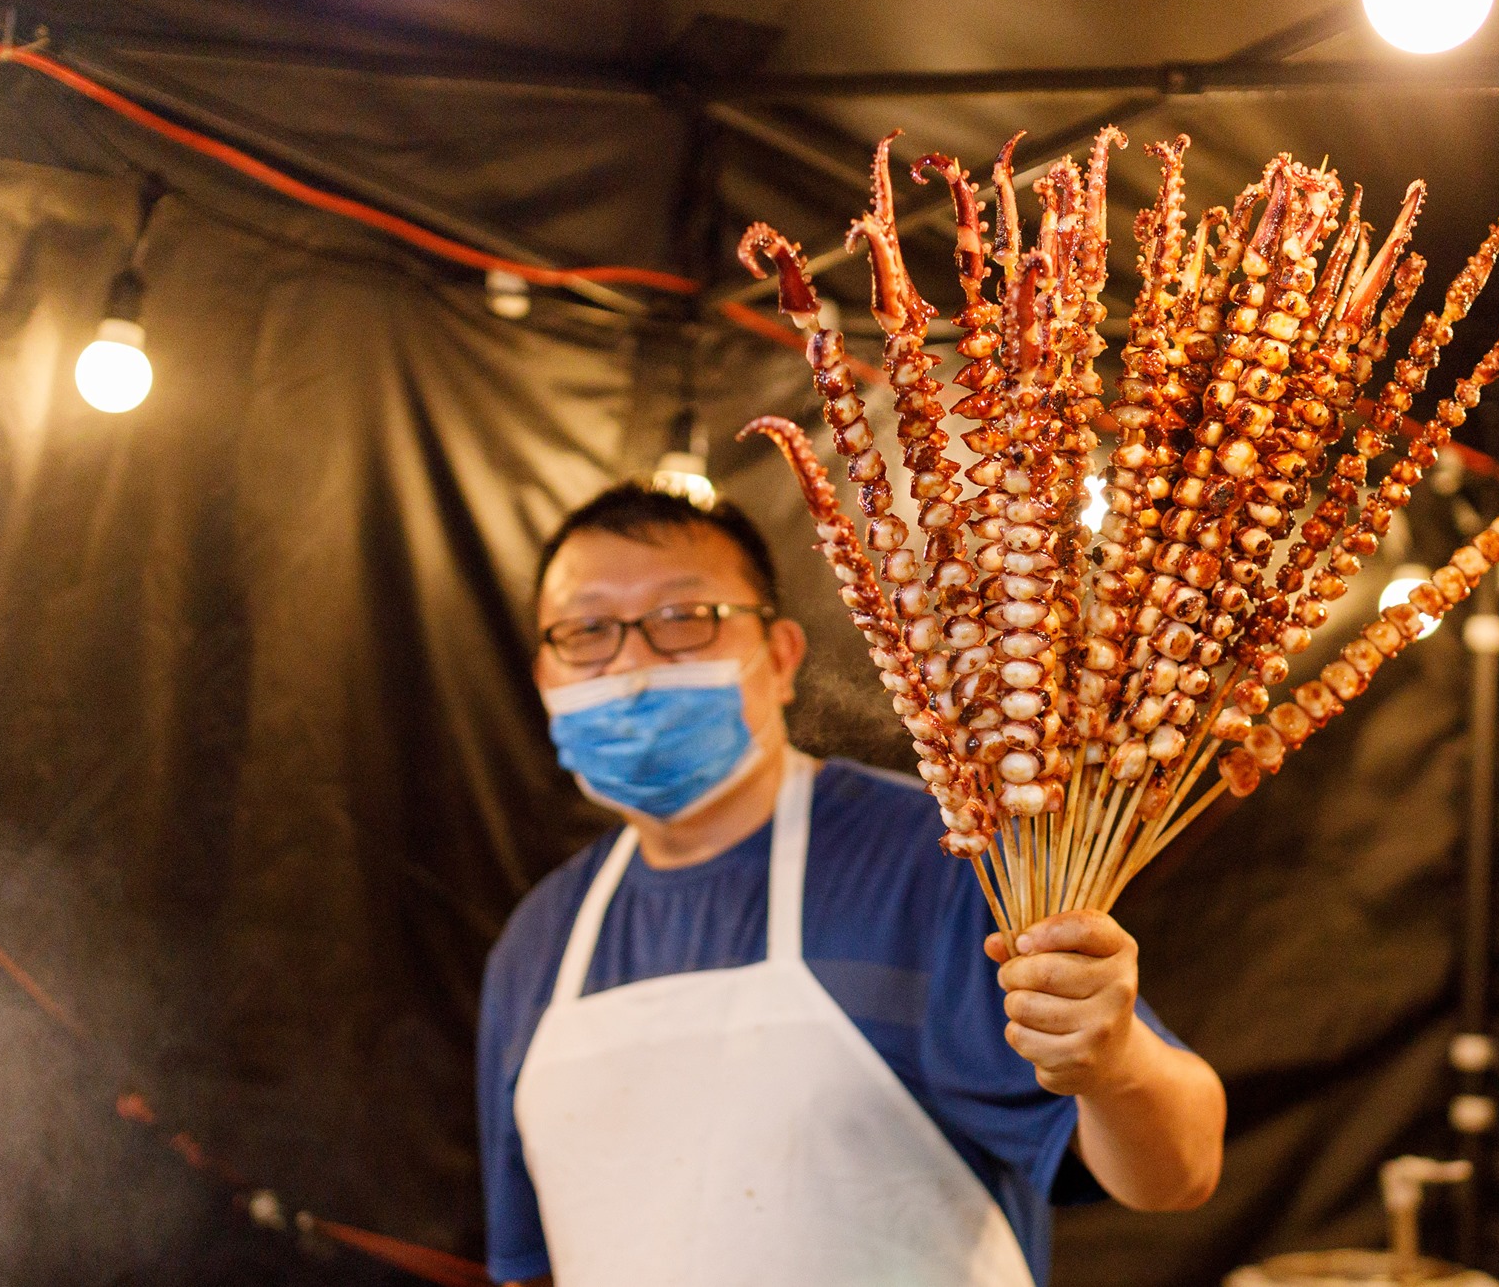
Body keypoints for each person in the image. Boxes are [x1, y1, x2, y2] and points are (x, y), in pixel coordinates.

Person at [478, 484, 1225, 1287]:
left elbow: (1179, 1170)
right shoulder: (540, 940)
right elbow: (531, 1262)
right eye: (586, 631)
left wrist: (1114, 1064)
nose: (629, 663)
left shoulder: (941, 862)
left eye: (682, 617)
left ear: (781, 656)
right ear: (544, 675)